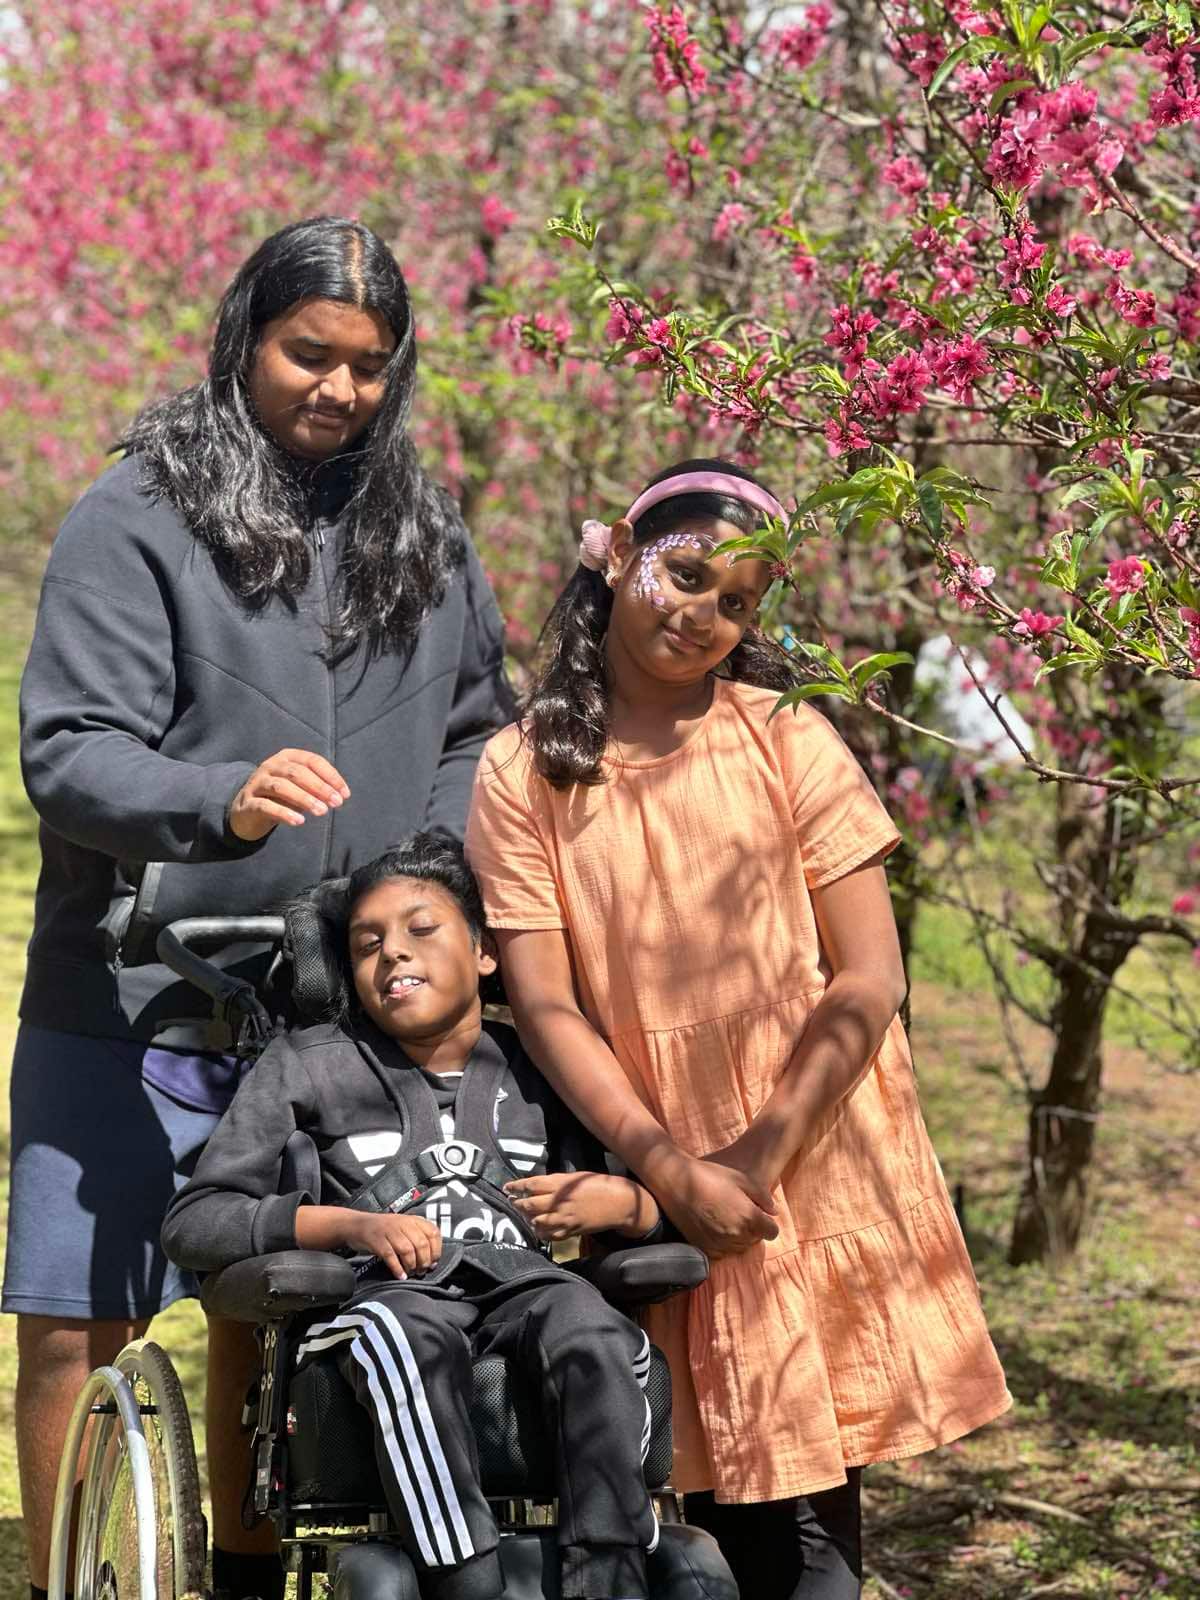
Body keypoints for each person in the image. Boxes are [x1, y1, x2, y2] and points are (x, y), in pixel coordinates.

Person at [7, 217, 513, 1600]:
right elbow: (68, 750)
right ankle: (64, 1571)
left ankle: (237, 1569)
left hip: (342, 1008)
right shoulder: (137, 517)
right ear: (244, 340)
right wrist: (220, 800)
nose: (338, 389)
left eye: (369, 364)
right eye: (309, 354)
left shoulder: (424, 530)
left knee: (271, 1297)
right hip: (136, 988)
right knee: (76, 1319)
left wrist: (435, 863)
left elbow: (482, 728)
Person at [465, 459, 1012, 1600]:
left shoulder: (785, 737)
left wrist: (756, 1158)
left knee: (815, 1495)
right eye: (688, 574)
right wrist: (668, 1168)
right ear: (618, 552)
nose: (702, 614)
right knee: (701, 1475)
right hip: (650, 1131)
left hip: (811, 1138)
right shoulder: (525, 768)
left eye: (739, 602)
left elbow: (868, 977)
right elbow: (551, 1002)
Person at [163, 835, 664, 1600]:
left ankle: (614, 1574)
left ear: (486, 952)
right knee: (406, 1335)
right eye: (367, 944)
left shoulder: (542, 1062)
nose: (393, 954)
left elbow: (656, 1205)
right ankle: (467, 1577)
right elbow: (196, 1219)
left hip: (524, 1286)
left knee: (594, 1325)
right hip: (379, 1299)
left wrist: (626, 1202)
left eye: (421, 930)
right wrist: (345, 1227)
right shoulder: (309, 1062)